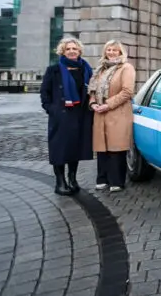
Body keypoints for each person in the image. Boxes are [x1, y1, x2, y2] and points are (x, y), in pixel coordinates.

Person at [40, 37, 94, 196]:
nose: (71, 51)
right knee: (60, 148)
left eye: (74, 49)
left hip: (80, 114)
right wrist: (51, 109)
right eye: (68, 49)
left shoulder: (86, 69)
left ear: (79, 51)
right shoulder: (54, 70)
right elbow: (45, 92)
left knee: (75, 148)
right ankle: (60, 182)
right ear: (62, 51)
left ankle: (72, 179)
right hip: (62, 115)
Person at [88, 40, 136, 192]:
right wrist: (93, 103)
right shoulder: (100, 69)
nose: (111, 52)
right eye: (108, 49)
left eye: (115, 50)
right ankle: (102, 179)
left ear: (121, 52)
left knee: (116, 148)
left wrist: (108, 104)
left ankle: (117, 181)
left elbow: (127, 92)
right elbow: (93, 91)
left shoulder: (126, 68)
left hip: (117, 112)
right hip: (100, 113)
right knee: (102, 148)